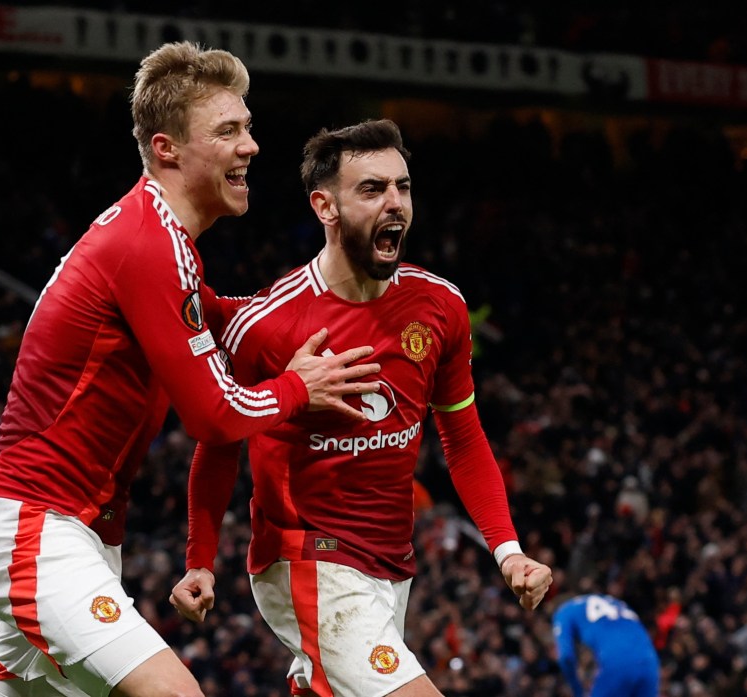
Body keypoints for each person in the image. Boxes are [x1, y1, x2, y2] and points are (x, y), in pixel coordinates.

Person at [0, 42, 382, 697]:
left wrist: (339, 298)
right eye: (228, 130)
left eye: (248, 127)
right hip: (34, 524)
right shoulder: (149, 246)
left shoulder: (160, 241)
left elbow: (230, 316)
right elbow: (214, 414)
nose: (252, 146)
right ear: (167, 148)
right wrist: (300, 388)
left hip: (78, 532)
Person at [170, 119, 553, 696]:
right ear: (325, 207)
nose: (394, 203)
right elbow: (219, 444)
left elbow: (464, 438)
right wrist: (200, 557)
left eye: (402, 187)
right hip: (305, 556)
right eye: (372, 189)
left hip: (392, 563)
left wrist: (508, 550)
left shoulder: (440, 307)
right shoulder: (269, 325)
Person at [552, 593, 661, 697]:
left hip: (617, 661)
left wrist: (577, 691)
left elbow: (566, 657)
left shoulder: (564, 610)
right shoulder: (614, 602)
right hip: (650, 660)